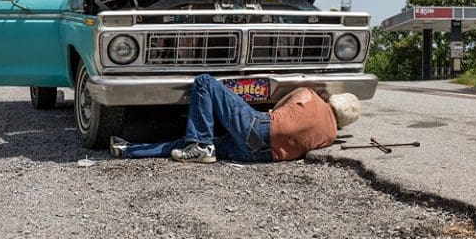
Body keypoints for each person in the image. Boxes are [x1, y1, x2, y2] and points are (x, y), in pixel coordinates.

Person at [110, 73, 361, 163]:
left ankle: (201, 146)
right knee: (184, 145)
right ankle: (129, 150)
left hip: (260, 128)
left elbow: (287, 99)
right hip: (258, 155)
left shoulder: (310, 96)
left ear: (333, 100)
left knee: (205, 83)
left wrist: (273, 113)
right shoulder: (329, 136)